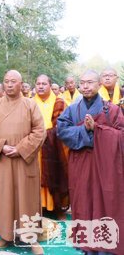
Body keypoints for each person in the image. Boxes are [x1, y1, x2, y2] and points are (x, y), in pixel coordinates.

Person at [57, 70, 124, 255]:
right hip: (80, 164)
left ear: (98, 84)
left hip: (105, 166)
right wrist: (86, 133)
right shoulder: (72, 109)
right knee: (83, 201)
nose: (85, 86)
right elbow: (61, 131)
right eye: (82, 82)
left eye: (90, 82)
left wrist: (98, 130)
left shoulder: (112, 109)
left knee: (105, 201)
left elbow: (121, 135)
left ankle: (106, 245)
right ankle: (87, 245)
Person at [0, 70, 46, 254]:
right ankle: (5, 235)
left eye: (13, 81)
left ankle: (31, 237)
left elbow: (39, 130)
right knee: (4, 197)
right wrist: (0, 147)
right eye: (6, 81)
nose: (9, 85)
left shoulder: (30, 104)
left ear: (21, 84)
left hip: (25, 159)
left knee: (28, 198)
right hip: (2, 160)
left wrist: (20, 148)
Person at [33, 75, 68, 218]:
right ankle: (37, 206)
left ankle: (57, 208)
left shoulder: (60, 102)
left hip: (54, 148)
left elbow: (64, 124)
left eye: (44, 84)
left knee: (56, 175)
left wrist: (47, 134)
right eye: (38, 83)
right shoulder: (29, 102)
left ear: (50, 85)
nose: (40, 86)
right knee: (35, 177)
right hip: (34, 148)